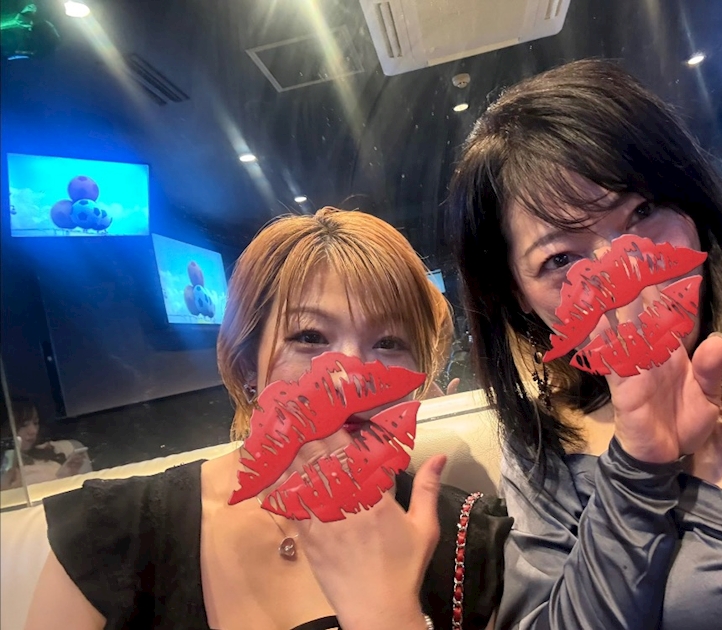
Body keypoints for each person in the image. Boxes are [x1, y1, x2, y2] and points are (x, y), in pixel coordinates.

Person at [449, 59, 722, 629]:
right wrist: (637, 468)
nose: (623, 271)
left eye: (643, 211)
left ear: (689, 201)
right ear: (517, 295)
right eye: (561, 258)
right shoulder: (545, 456)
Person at [26, 207, 511, 630]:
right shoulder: (112, 531)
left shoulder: (469, 541)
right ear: (246, 366)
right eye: (310, 337)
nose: (348, 377)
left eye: (388, 343)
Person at [0, 397, 92, 490]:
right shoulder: (6, 471)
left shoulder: (48, 453)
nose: (33, 431)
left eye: (36, 423)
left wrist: (66, 476)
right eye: (23, 425)